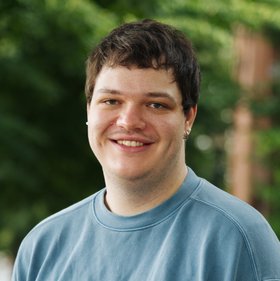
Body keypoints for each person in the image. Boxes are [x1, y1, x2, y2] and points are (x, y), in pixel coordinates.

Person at [12, 19, 280, 281]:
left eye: (156, 105)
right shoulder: (43, 247)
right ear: (89, 110)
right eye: (111, 100)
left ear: (188, 118)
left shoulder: (238, 239)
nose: (129, 121)